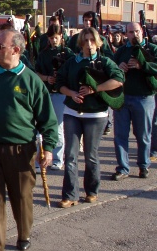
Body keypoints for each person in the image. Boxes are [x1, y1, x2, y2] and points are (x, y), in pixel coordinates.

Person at [0, 28, 58, 251]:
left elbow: (48, 119)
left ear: (16, 50)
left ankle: (24, 234)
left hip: (21, 149)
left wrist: (48, 147)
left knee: (21, 195)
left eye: (0, 47)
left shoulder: (31, 81)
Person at [56, 27, 124, 208]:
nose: (89, 44)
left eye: (92, 40)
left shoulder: (105, 62)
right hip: (72, 113)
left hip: (96, 114)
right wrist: (70, 93)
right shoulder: (72, 62)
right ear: (81, 43)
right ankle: (70, 195)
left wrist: (96, 88)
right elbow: (60, 82)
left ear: (98, 42)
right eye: (85, 41)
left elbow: (118, 79)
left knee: (90, 155)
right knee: (70, 155)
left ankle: (92, 190)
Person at [111, 22, 157, 181]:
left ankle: (143, 166)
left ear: (142, 31)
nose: (134, 34)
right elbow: (110, 69)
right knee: (120, 135)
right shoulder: (122, 51)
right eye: (131, 32)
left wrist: (142, 65)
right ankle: (123, 168)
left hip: (144, 97)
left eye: (137, 31)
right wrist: (119, 67)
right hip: (123, 97)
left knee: (143, 134)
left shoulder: (152, 49)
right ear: (126, 34)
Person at [35, 24, 74, 170]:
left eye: (56, 37)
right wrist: (46, 78)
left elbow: (74, 73)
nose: (54, 41)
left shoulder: (68, 53)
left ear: (61, 37)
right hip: (45, 92)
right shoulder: (43, 54)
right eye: (51, 38)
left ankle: (57, 159)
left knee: (57, 126)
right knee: (40, 126)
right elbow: (36, 72)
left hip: (60, 94)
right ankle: (40, 159)